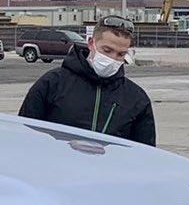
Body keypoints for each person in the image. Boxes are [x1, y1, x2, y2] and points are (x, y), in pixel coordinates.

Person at [18, 15, 156, 145]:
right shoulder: (52, 84)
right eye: (107, 51)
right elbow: (24, 136)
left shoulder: (136, 99)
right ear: (91, 43)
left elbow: (145, 155)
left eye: (121, 54)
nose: (113, 59)